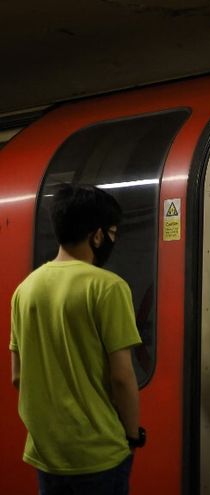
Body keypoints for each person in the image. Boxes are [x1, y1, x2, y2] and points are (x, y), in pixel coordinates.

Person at [10, 184, 143, 494]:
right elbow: (122, 377)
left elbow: (18, 377)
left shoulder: (25, 289)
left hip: (46, 453)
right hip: (98, 452)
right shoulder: (108, 287)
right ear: (96, 236)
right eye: (111, 233)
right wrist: (132, 435)